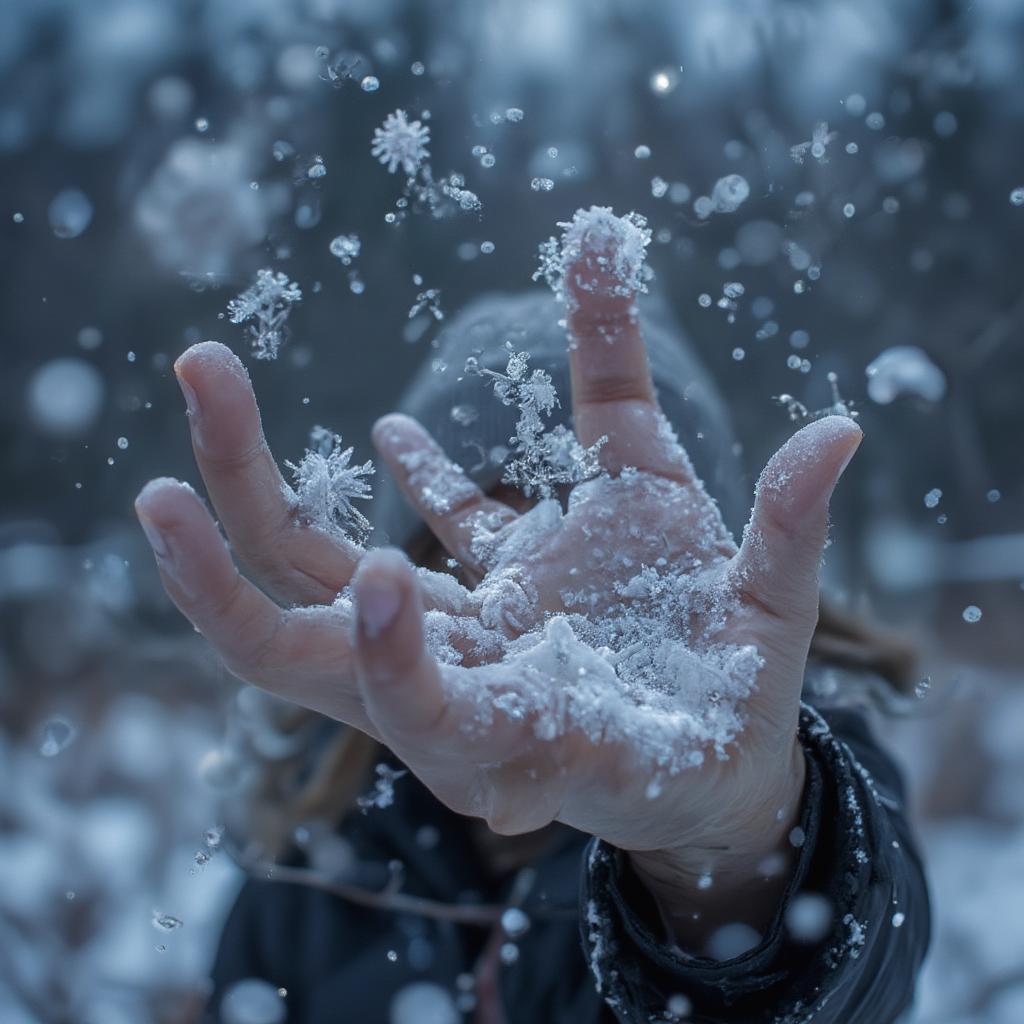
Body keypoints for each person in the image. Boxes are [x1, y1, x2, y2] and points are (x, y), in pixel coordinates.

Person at [135, 224, 929, 1023]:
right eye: (479, 563)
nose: (539, 626)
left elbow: (857, 973)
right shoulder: (313, 860)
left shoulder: (810, 784)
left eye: (603, 564)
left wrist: (728, 848)